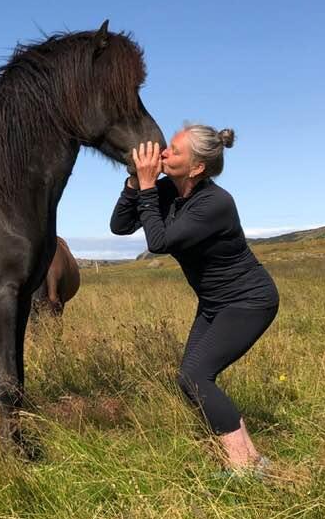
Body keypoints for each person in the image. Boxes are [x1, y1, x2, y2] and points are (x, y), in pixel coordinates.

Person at [110, 124, 279, 472]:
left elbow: (159, 242)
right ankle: (251, 460)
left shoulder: (215, 203)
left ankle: (244, 467)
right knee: (193, 377)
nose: (164, 152)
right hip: (214, 303)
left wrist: (145, 187)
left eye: (174, 150)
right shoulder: (170, 192)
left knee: (194, 376)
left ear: (197, 167)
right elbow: (120, 225)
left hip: (248, 301)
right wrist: (133, 183)